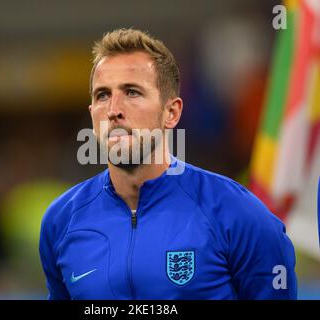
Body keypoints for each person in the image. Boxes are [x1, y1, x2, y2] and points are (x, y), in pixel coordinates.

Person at [39, 28, 297, 300]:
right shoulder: (61, 222)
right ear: (92, 114)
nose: (113, 109)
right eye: (102, 95)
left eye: (132, 92)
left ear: (171, 113)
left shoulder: (238, 214)